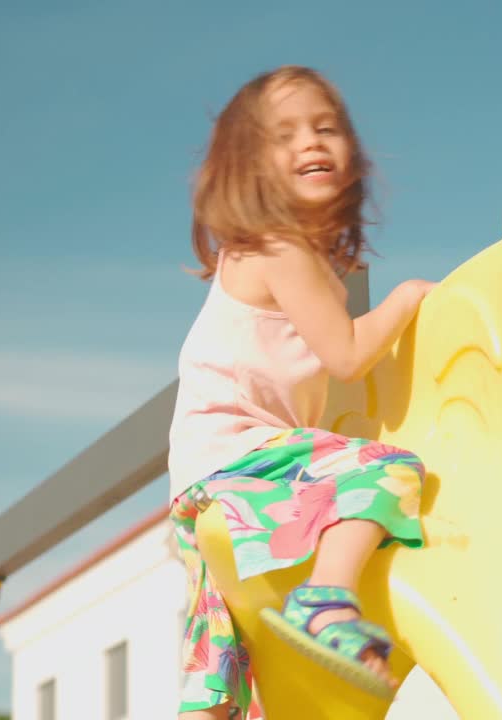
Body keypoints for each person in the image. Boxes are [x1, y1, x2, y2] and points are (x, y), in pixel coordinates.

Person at [167, 65, 436, 720]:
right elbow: (346, 354)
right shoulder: (282, 248)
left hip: (199, 478)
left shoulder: (267, 253)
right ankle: (326, 595)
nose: (311, 143)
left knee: (228, 659)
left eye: (325, 128)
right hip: (238, 454)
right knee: (388, 469)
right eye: (284, 135)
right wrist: (405, 301)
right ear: (248, 167)